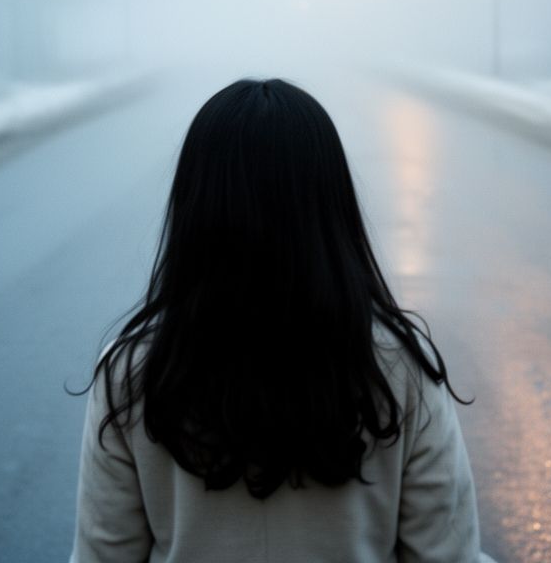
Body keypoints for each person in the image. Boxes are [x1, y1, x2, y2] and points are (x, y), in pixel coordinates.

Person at [70, 78, 494, 563]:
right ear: (332, 207)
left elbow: (103, 555)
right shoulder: (400, 364)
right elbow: (447, 554)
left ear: (195, 208)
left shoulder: (133, 372)